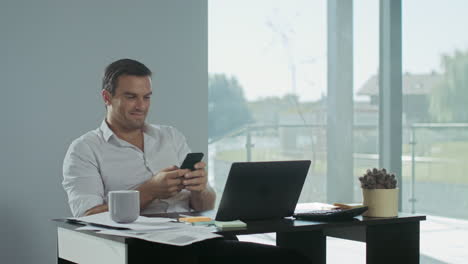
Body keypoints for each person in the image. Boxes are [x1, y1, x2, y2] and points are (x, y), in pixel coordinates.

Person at [62, 58, 311, 263]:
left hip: (198, 237)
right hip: (141, 248)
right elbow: (87, 217)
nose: (141, 106)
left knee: (292, 258)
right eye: (131, 97)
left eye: (147, 97)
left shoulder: (171, 137)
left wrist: (199, 188)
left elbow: (205, 202)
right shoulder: (84, 150)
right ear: (107, 97)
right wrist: (150, 190)